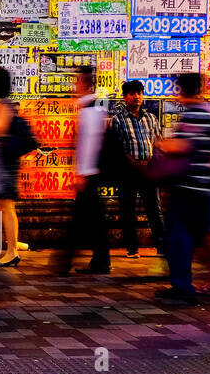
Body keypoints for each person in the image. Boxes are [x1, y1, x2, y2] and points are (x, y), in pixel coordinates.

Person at [153, 73, 210, 305]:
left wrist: (161, 143)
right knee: (201, 237)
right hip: (207, 185)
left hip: (188, 185)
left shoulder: (194, 115)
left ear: (182, 91)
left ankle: (183, 285)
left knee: (179, 235)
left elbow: (183, 145)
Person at [56, 65, 112, 276]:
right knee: (95, 218)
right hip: (91, 173)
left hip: (89, 174)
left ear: (85, 84)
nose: (74, 85)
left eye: (77, 81)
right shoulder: (94, 108)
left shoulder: (90, 110)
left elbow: (89, 143)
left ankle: (64, 261)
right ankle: (99, 260)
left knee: (81, 218)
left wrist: (82, 173)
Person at [0, 67, 37, 268]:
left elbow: (0, 130)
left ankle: (12, 251)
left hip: (4, 162)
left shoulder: (3, 104)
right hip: (4, 160)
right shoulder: (9, 103)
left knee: (6, 206)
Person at [110, 79, 166, 260]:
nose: (137, 97)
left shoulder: (150, 119)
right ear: (125, 97)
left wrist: (153, 162)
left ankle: (162, 246)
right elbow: (115, 148)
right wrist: (133, 162)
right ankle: (132, 248)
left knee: (154, 210)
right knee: (128, 210)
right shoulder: (118, 120)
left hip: (149, 171)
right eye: (133, 93)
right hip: (128, 172)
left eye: (139, 93)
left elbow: (159, 143)